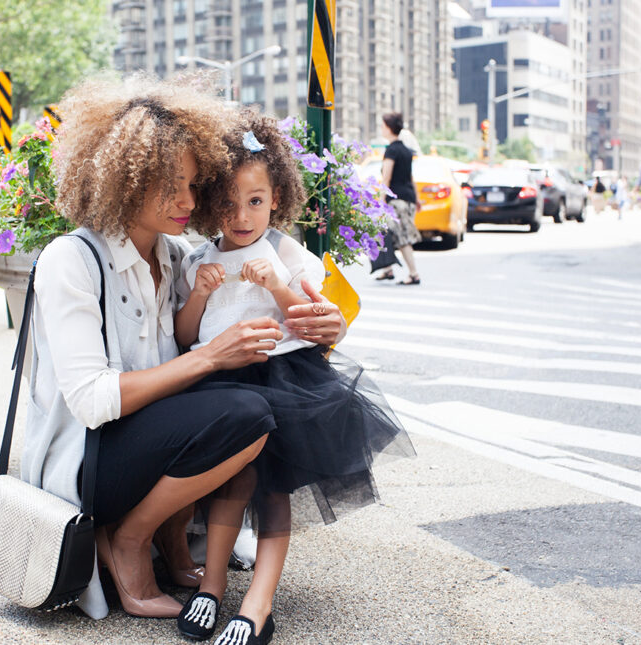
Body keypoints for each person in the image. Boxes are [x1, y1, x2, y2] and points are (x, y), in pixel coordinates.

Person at [20, 75, 348, 622]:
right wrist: (210, 356)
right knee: (244, 412)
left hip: (149, 445)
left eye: (195, 186)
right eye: (171, 185)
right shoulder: (70, 260)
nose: (188, 201)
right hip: (88, 459)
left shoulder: (177, 258)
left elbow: (271, 303)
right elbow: (91, 401)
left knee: (248, 410)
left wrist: (329, 326)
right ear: (125, 181)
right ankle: (128, 538)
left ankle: (174, 543)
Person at [172, 110, 414, 644]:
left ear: (276, 198)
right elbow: (187, 334)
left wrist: (279, 286)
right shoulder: (198, 259)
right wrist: (200, 294)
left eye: (255, 202)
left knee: (274, 489)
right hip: (222, 381)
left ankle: (259, 602)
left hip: (284, 380)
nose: (242, 216)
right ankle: (211, 586)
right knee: (229, 484)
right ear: (211, 204)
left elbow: (316, 323)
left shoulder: (285, 251)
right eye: (229, 203)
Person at [373, 112, 422, 285]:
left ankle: (414, 273)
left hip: (396, 201)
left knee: (401, 237)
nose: (381, 129)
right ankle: (388, 269)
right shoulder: (406, 151)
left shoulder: (391, 150)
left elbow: (386, 178)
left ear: (388, 128)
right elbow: (410, 177)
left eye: (383, 126)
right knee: (386, 232)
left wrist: (380, 201)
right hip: (407, 198)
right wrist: (417, 199)